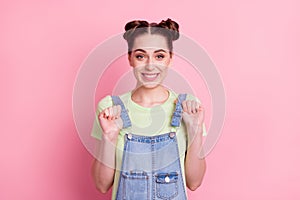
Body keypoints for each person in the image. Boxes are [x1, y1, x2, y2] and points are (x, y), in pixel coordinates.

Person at [91, 18, 207, 200]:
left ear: (170, 59)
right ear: (130, 58)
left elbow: (194, 182)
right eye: (140, 56)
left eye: (159, 56)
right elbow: (101, 185)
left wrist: (195, 129)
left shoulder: (188, 107)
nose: (150, 65)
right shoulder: (110, 108)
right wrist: (109, 137)